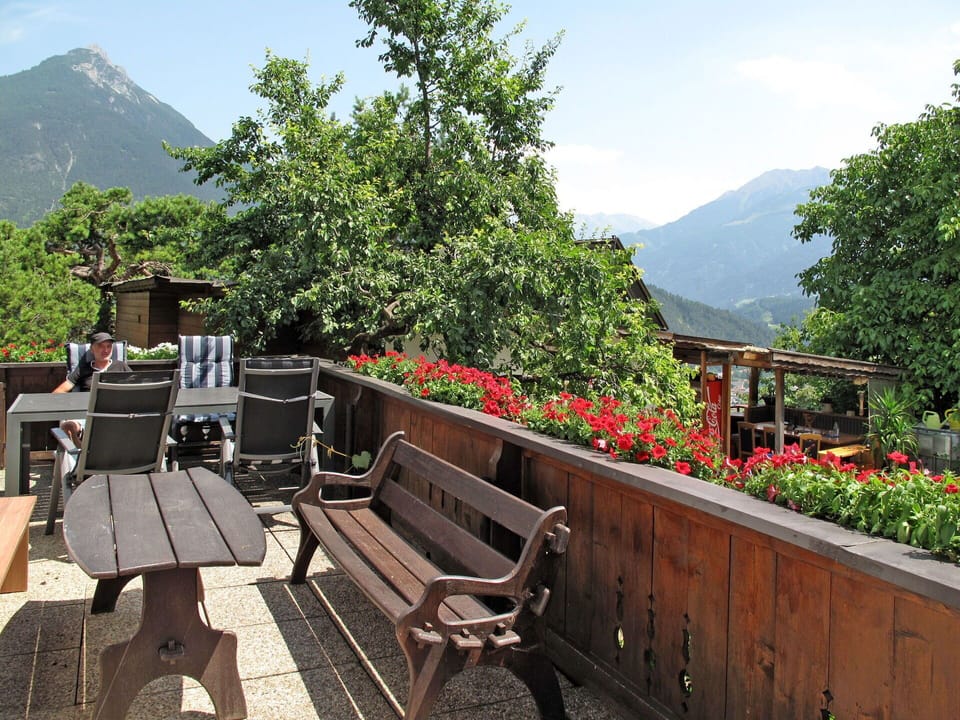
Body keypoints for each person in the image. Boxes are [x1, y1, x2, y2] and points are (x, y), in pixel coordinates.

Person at [53, 332, 132, 443]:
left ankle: (85, 448)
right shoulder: (83, 369)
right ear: (92, 349)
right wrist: (71, 407)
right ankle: (81, 446)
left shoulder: (121, 366)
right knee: (68, 426)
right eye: (100, 346)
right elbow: (58, 392)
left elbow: (137, 387)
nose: (105, 350)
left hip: (116, 414)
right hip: (88, 413)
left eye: (109, 346)